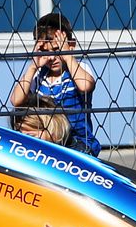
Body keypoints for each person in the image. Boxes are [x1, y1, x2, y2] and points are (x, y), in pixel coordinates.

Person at [9, 11, 101, 155]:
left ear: (71, 46)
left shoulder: (78, 69)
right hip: (48, 141)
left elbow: (85, 86)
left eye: (57, 50)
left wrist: (68, 57)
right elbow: (16, 100)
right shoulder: (39, 76)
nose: (52, 57)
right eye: (46, 52)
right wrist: (33, 66)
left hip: (77, 142)